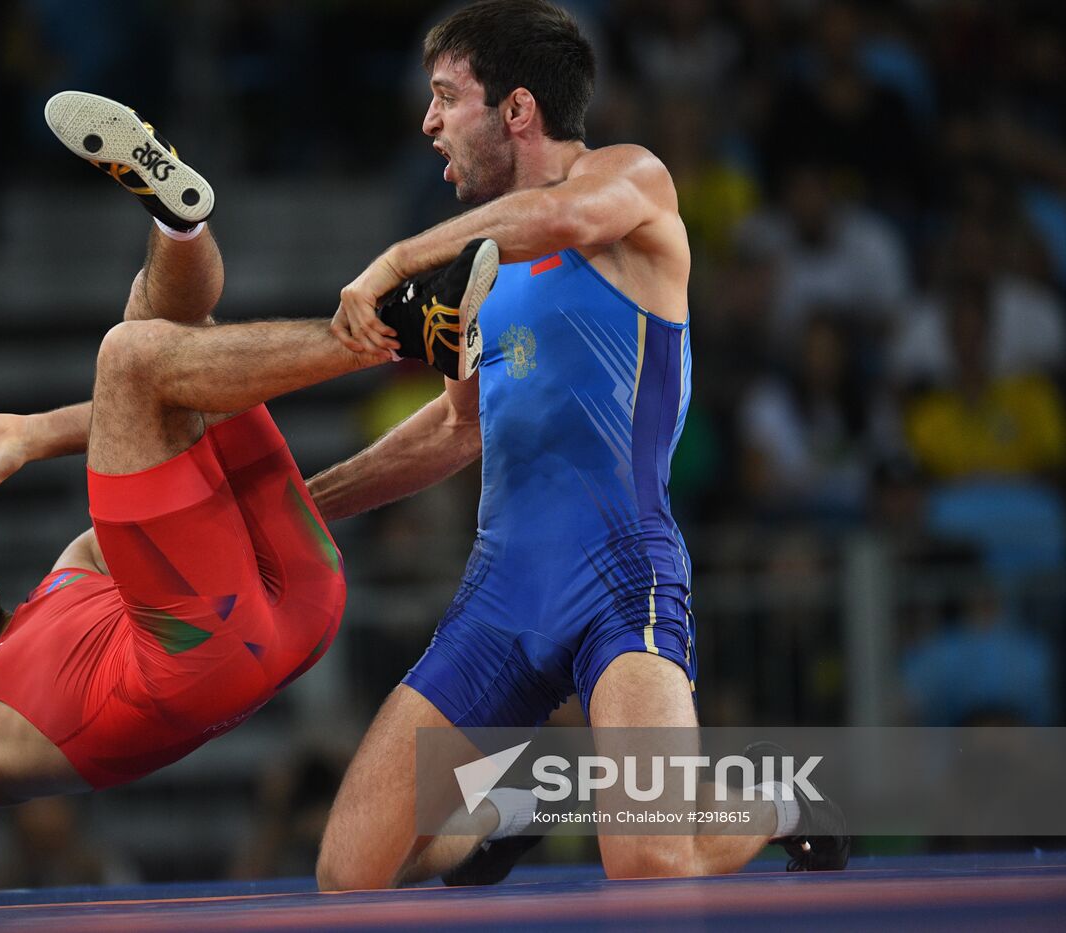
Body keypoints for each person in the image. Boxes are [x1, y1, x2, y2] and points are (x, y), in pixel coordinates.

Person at [0, 90, 499, 909]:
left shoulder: (82, 564)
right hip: (192, 659)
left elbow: (145, 420)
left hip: (298, 593)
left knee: (164, 325)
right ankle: (399, 327)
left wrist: (33, 433)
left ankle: (179, 222)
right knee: (133, 354)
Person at [313, 0, 848, 889]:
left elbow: (559, 220)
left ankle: (773, 793)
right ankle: (524, 801)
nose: (429, 121)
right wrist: (304, 503)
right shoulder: (481, 265)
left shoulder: (631, 179)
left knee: (646, 860)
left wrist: (393, 263)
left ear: (516, 110)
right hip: (500, 596)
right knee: (351, 874)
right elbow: (457, 426)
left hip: (621, 577)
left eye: (447, 96)